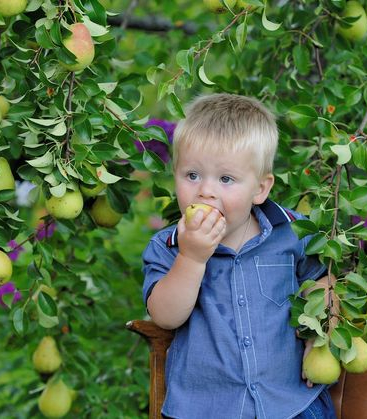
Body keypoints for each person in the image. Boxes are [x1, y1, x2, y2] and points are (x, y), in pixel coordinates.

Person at [141, 93, 337, 419]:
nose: (205, 191)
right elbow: (165, 315)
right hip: (205, 409)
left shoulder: (293, 233)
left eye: (226, 179)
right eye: (192, 175)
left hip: (290, 403)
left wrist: (319, 335)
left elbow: (323, 277)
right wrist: (192, 258)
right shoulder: (169, 247)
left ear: (260, 189)